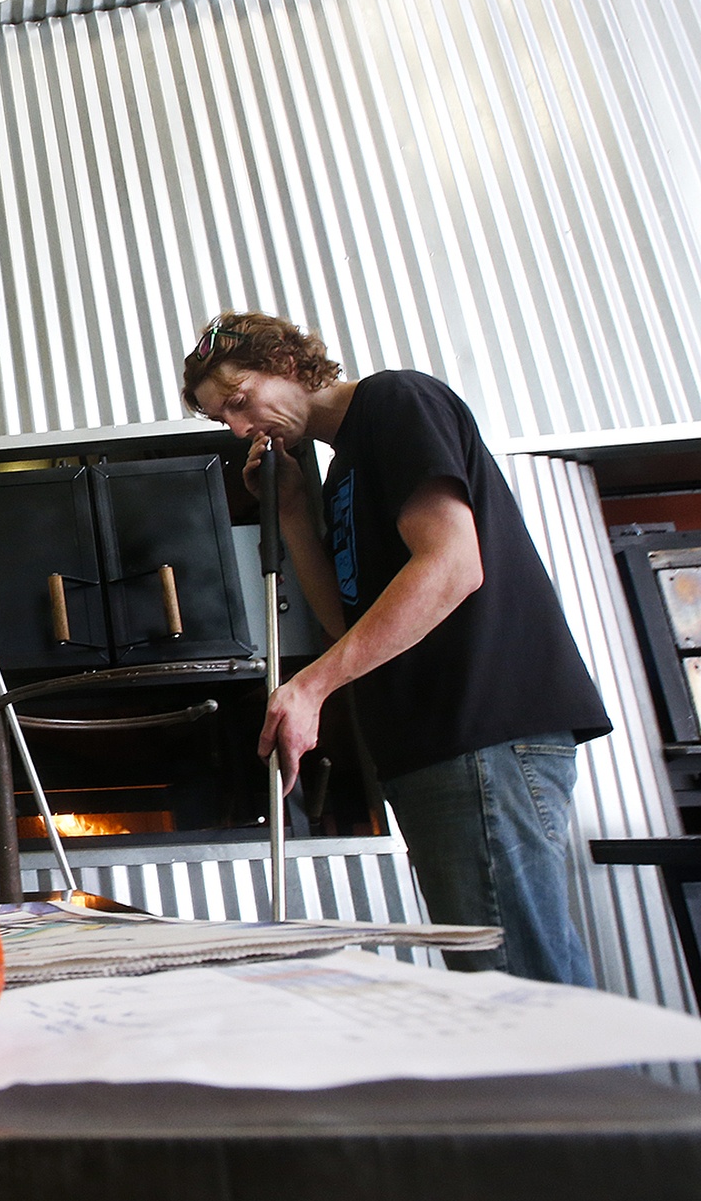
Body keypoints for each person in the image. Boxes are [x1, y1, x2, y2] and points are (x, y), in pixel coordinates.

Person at [181, 311, 610, 986]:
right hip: (437, 748)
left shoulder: (394, 402)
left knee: (521, 991)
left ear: (287, 364)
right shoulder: (340, 469)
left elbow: (452, 562)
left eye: (240, 400)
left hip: (480, 731)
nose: (239, 428)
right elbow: (341, 619)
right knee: (498, 980)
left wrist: (313, 686)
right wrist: (293, 510)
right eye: (223, 420)